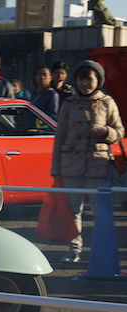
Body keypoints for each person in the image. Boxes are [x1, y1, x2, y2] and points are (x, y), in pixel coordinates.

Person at [51, 60, 124, 263]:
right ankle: (74, 250)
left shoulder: (107, 102)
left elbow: (120, 131)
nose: (85, 83)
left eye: (89, 79)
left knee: (100, 211)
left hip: (98, 164)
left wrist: (107, 132)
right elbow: (60, 137)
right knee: (72, 211)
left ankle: (101, 253)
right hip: (70, 163)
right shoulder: (68, 104)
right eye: (81, 79)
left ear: (98, 80)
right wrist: (55, 168)